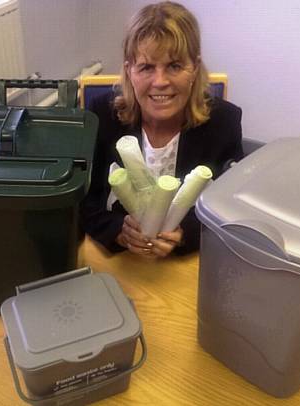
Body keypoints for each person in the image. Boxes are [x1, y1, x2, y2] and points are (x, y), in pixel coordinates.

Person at [80, 1, 243, 258]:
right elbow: (85, 199)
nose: (160, 82)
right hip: (121, 259)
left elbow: (230, 205)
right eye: (146, 67)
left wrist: (183, 234)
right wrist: (118, 231)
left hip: (185, 265)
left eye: (175, 66)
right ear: (129, 71)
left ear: (194, 69)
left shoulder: (224, 122)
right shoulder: (102, 115)